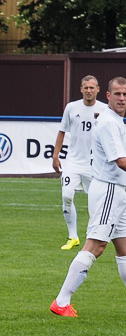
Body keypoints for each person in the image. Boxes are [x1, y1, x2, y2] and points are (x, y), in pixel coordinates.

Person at [51, 77, 126, 317]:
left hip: (116, 190)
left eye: (125, 94)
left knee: (124, 248)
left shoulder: (114, 120)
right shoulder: (109, 122)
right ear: (108, 96)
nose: (122, 98)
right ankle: (61, 301)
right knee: (96, 245)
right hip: (109, 190)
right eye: (117, 94)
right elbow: (120, 161)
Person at [53, 75, 105, 250]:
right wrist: (55, 155)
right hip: (73, 162)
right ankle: (73, 236)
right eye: (86, 88)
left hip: (94, 164)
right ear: (81, 89)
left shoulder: (105, 110)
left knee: (95, 202)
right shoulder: (71, 107)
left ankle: (94, 235)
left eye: (92, 88)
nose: (89, 91)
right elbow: (62, 131)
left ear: (98, 89)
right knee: (66, 196)